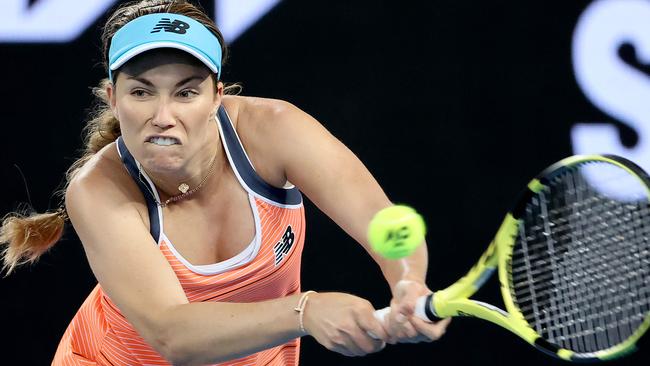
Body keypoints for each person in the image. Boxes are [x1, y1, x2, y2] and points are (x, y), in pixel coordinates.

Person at [0, 0, 450, 364]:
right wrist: (306, 311)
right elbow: (174, 336)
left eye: (186, 92)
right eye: (141, 92)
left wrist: (408, 280)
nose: (162, 116)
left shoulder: (275, 130)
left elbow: (383, 221)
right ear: (113, 99)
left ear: (217, 96)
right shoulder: (97, 190)